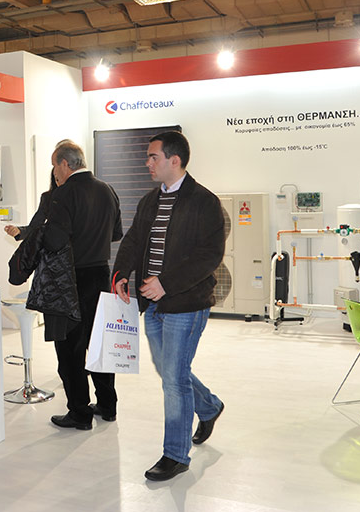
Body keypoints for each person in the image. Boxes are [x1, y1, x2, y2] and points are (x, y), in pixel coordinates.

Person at [113, 131, 225, 482]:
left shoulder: (205, 202)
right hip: (153, 303)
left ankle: (176, 455)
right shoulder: (150, 200)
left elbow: (210, 256)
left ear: (174, 160)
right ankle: (209, 406)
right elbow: (133, 240)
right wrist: (121, 273)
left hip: (186, 303)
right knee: (168, 369)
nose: (147, 163)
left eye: (153, 157)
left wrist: (167, 283)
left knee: (173, 380)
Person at [42, 141, 122, 430]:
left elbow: (54, 240)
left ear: (65, 164)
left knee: (70, 349)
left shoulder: (64, 194)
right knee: (100, 344)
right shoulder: (107, 190)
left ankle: (79, 412)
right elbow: (115, 234)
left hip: (70, 279)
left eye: (55, 166)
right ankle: (107, 405)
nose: (55, 172)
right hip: (101, 275)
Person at [4, 169, 57, 241]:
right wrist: (19, 231)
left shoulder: (73, 196)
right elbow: (35, 227)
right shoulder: (48, 197)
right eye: (56, 178)